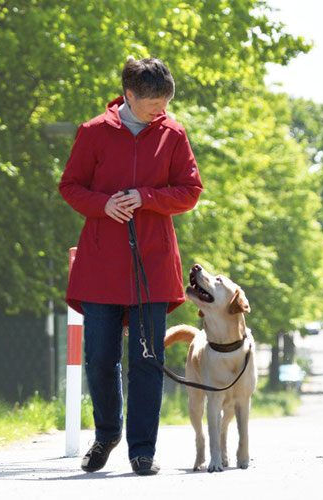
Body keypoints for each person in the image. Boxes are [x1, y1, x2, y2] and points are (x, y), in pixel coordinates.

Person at [59, 57, 202, 476]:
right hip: (101, 263)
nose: (161, 111)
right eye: (154, 103)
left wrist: (147, 197)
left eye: (166, 103)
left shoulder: (174, 134)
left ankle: (142, 449)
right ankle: (107, 434)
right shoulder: (93, 133)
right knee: (100, 359)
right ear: (130, 95)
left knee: (147, 359)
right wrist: (103, 204)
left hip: (153, 265)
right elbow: (70, 186)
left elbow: (190, 190)